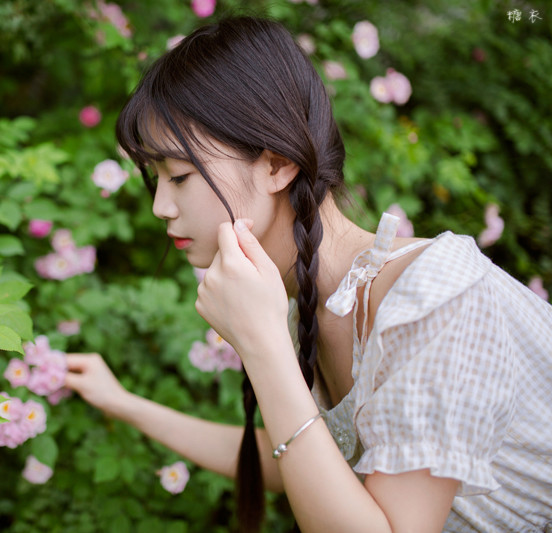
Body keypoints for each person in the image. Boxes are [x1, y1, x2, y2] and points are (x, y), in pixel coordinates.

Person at [63, 16, 552, 533]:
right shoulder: (311, 300)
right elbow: (304, 460)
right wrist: (124, 404)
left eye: (180, 176)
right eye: (156, 178)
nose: (160, 206)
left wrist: (263, 346)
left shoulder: (436, 297)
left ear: (277, 165)